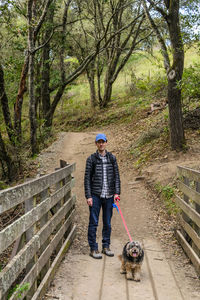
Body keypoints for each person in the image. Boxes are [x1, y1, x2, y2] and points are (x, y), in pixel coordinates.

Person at [84, 133, 121, 259]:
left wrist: (117, 193)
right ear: (96, 143)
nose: (101, 144)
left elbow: (117, 177)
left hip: (109, 195)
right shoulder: (91, 159)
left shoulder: (112, 158)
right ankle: (93, 248)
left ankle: (106, 246)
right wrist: (88, 196)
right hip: (95, 195)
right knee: (93, 222)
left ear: (106, 143)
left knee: (107, 222)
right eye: (98, 142)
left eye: (103, 142)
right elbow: (87, 179)